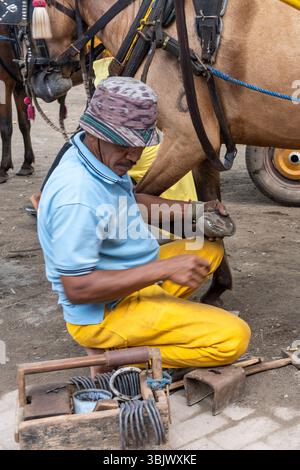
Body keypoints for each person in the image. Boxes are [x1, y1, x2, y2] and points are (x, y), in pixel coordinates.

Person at [37, 77, 251, 369]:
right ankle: (120, 357)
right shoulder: (76, 196)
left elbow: (127, 204)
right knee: (233, 338)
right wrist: (165, 268)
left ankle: (147, 321)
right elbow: (78, 288)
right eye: (126, 144)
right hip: (103, 311)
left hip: (129, 276)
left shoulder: (94, 156)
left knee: (207, 249)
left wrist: (196, 212)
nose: (135, 155)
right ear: (96, 132)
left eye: (139, 145)